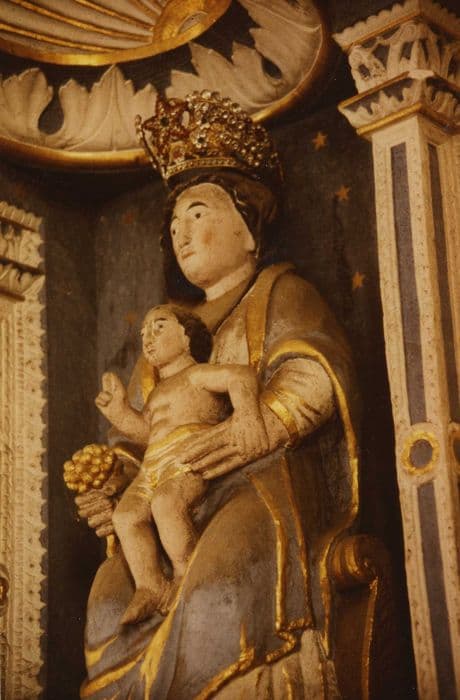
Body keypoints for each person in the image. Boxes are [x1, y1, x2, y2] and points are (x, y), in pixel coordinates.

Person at [76, 92, 359, 700]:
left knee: (217, 585)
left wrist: (259, 425)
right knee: (107, 601)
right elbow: (144, 433)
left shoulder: (280, 292)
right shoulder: (166, 332)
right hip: (166, 491)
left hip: (253, 482)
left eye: (198, 213)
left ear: (247, 228)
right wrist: (112, 482)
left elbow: (316, 368)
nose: (181, 234)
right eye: (174, 225)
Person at [95, 304, 268, 624]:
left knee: (166, 504)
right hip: (153, 463)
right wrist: (120, 413)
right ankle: (150, 586)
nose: (148, 337)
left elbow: (240, 375)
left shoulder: (197, 374)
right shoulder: (156, 392)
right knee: (126, 516)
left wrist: (247, 414)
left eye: (159, 327)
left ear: (187, 338)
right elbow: (147, 432)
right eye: (143, 332)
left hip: (185, 455)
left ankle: (185, 573)